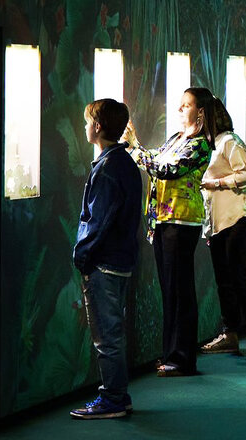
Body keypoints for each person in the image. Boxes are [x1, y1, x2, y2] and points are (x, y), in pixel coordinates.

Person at [124, 88, 215, 377]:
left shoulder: (201, 145)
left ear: (200, 112)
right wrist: (136, 145)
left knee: (180, 290)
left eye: (186, 105)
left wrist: (135, 149)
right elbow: (155, 158)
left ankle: (182, 358)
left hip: (181, 222)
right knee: (170, 290)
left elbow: (166, 169)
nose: (179, 109)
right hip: (163, 221)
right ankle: (171, 354)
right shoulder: (177, 138)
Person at [70, 99, 141, 419]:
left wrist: (82, 256)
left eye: (88, 122)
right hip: (120, 261)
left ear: (98, 127)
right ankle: (117, 395)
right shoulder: (123, 162)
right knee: (112, 332)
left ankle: (113, 399)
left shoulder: (108, 167)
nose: (85, 126)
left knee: (106, 335)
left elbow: (98, 221)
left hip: (104, 263)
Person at [198, 98, 246, 360]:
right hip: (217, 224)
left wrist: (218, 183)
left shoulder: (229, 141)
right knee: (224, 282)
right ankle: (231, 335)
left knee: (240, 278)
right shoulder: (206, 146)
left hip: (239, 218)